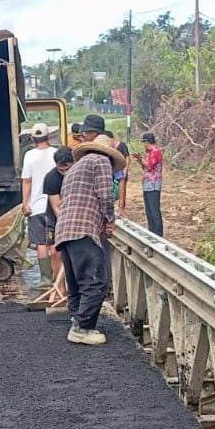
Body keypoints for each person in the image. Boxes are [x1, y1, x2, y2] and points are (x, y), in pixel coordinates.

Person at [54, 135, 126, 347]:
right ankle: (83, 327)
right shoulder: (101, 161)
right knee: (96, 281)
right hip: (84, 228)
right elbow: (105, 195)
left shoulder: (74, 169)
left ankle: (76, 318)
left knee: (76, 282)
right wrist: (109, 221)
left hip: (65, 230)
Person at [21, 122, 58, 283]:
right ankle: (59, 278)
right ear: (48, 136)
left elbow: (27, 181)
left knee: (41, 243)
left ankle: (46, 279)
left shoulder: (29, 156)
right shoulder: (56, 154)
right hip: (54, 205)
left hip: (35, 207)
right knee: (54, 241)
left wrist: (25, 203)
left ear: (32, 138)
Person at [134, 131, 164, 236]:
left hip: (153, 184)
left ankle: (158, 233)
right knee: (149, 210)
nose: (143, 145)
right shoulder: (149, 153)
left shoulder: (155, 152)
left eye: (144, 142)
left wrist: (140, 159)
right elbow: (145, 167)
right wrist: (140, 160)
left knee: (154, 209)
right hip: (148, 184)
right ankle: (152, 232)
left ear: (147, 142)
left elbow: (149, 166)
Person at [43, 146, 75, 238]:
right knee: (54, 250)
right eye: (61, 170)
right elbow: (56, 207)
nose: (65, 173)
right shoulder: (51, 178)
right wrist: (65, 225)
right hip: (55, 218)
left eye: (68, 169)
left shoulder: (79, 175)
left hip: (75, 216)